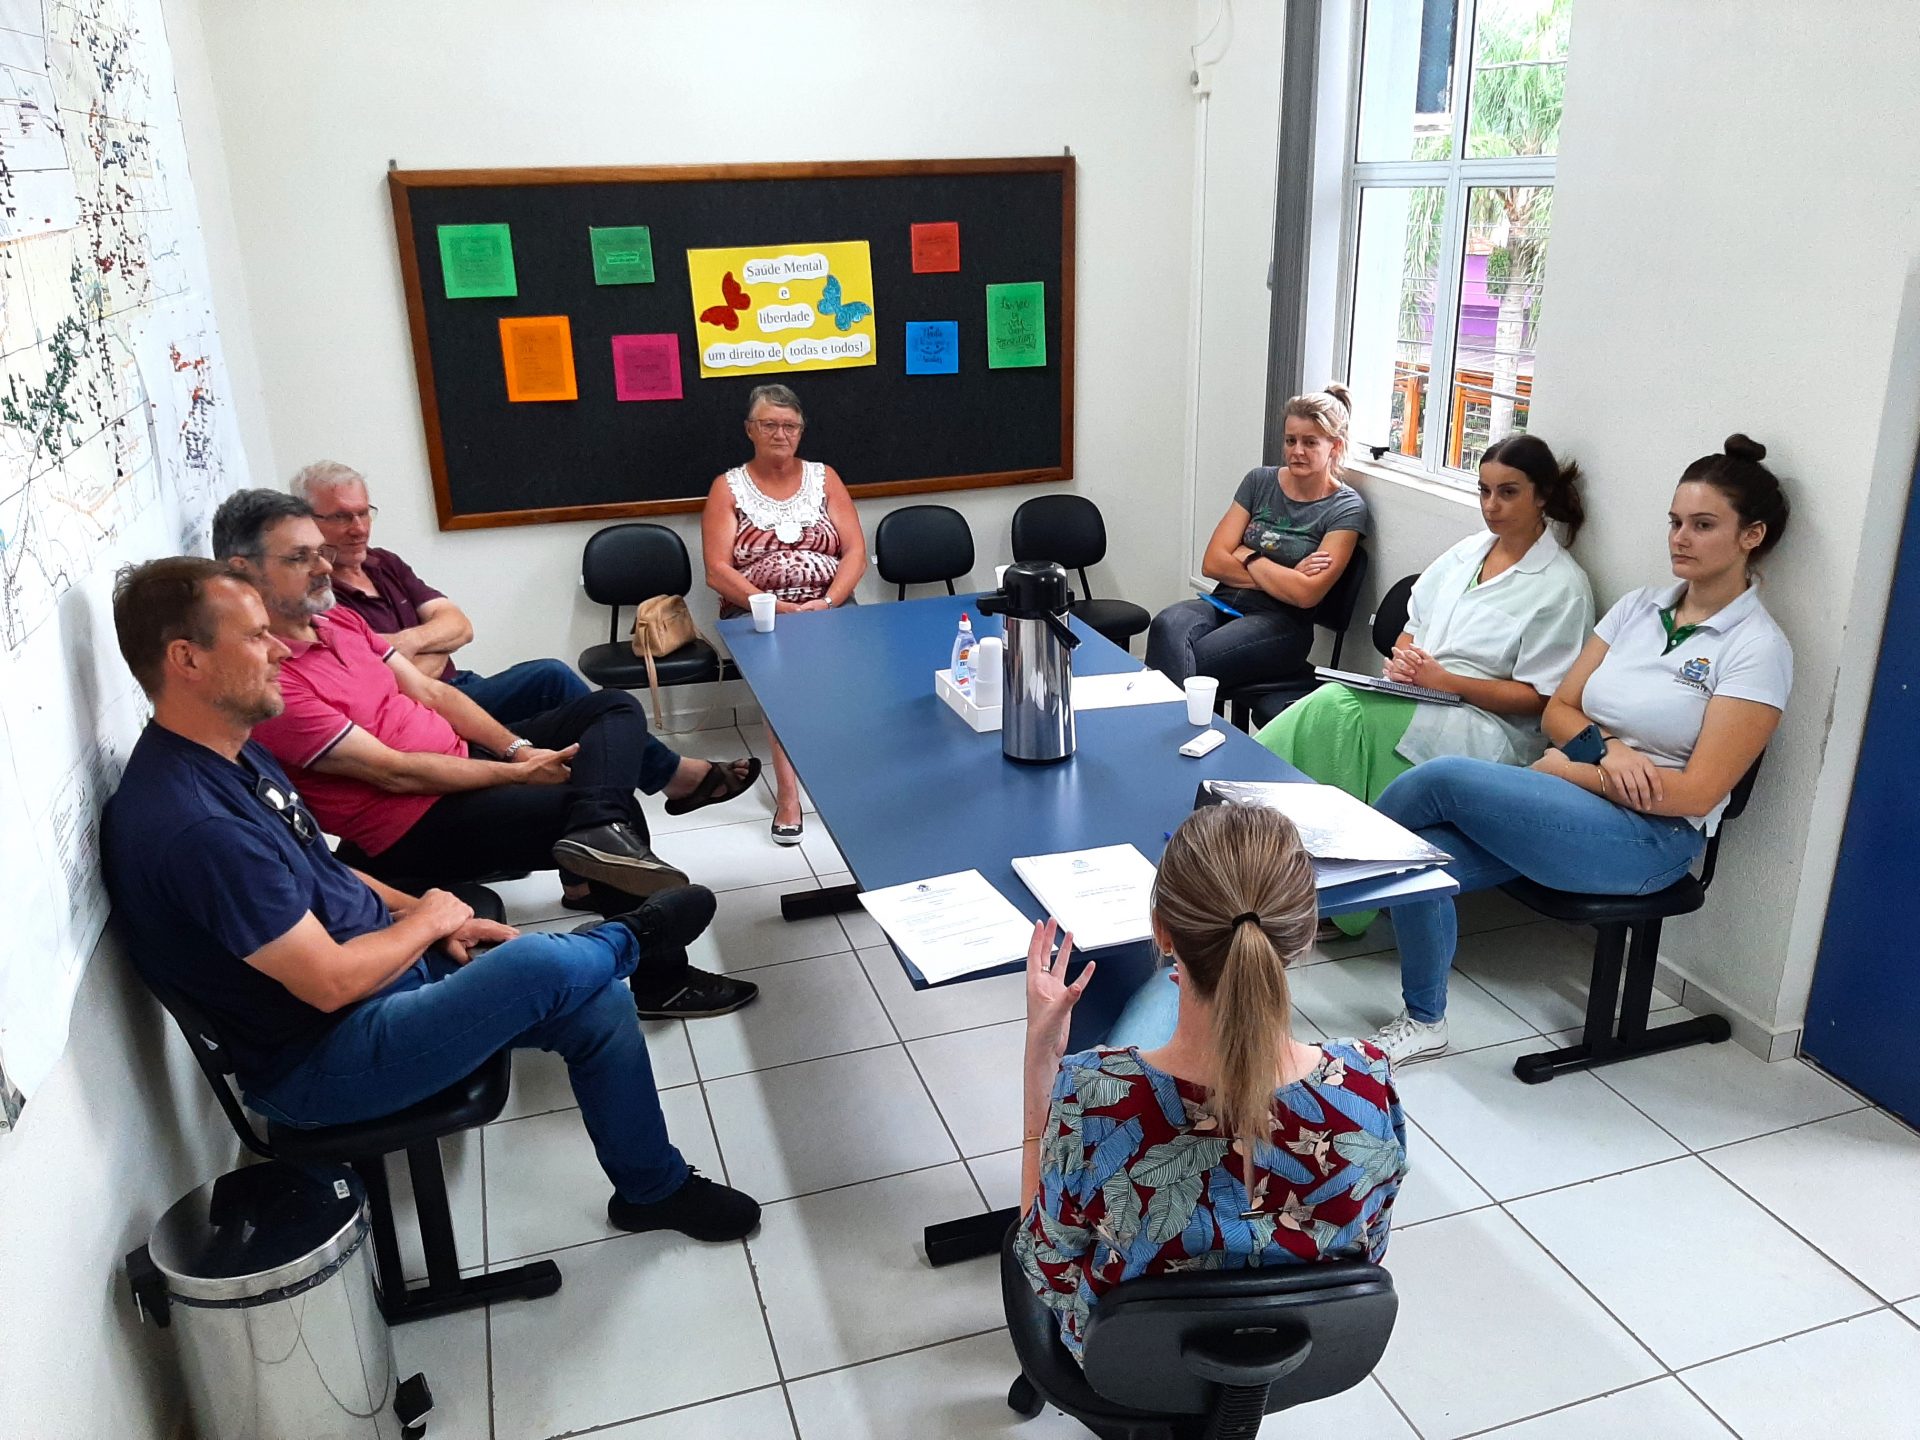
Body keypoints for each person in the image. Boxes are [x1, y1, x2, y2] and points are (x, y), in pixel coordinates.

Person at [100, 557, 761, 1241]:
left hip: (381, 976)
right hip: (324, 1058)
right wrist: (430, 922)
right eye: (255, 636)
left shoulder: (232, 753)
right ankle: (629, 939)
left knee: (595, 1000)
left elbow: (326, 870)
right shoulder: (194, 825)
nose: (280, 651)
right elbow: (329, 985)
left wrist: (423, 913)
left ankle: (652, 1189)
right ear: (187, 659)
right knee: (541, 965)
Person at [211, 488, 758, 1019]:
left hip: (457, 767)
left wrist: (517, 752)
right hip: (412, 825)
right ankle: (661, 982)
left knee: (611, 708)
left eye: (320, 552)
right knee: (614, 809)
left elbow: (433, 693)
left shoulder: (337, 622)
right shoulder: (272, 681)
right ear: (243, 571)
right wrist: (515, 775)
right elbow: (395, 774)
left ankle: (595, 833)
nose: (323, 567)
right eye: (299, 557)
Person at [1369, 435, 1794, 1063]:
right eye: (1675, 521)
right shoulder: (1639, 608)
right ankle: (1425, 1020)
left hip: (1653, 838)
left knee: (1442, 779)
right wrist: (1608, 752)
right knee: (1418, 857)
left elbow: (1697, 793)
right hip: (1574, 803)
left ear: (1751, 536)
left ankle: (1302, 893)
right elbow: (1559, 710)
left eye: (1703, 525)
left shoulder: (1757, 648)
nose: (1680, 538)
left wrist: (1574, 766)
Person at [1013, 803, 1408, 1364]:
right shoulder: (1368, 1084)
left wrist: (1040, 1069)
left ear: (1162, 932)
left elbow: (1045, 1266)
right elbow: (1369, 1247)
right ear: (1302, 935)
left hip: (1128, 1366)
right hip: (1295, 1358)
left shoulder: (1090, 1097)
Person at [1257, 434, 1595, 937]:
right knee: (1336, 711)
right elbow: (1413, 624)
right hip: (1423, 696)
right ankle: (1271, 860)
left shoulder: (1561, 586)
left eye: (1508, 493)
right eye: (1484, 491)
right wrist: (1405, 660)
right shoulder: (1466, 553)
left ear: (1542, 496)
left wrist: (1445, 680)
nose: (1491, 506)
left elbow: (1542, 699)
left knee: (1339, 711)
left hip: (1488, 728)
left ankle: (1331, 892)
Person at [295, 460, 592, 729]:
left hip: (462, 684)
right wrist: (440, 645)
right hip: (424, 711)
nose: (359, 529)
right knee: (551, 678)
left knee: (581, 720)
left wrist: (405, 644)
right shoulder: (315, 594)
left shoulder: (384, 562)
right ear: (306, 520)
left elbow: (460, 627)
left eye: (363, 513)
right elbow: (377, 685)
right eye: (341, 517)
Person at [701, 383, 867, 845]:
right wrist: (777, 606)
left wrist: (827, 602)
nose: (780, 434)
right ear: (750, 430)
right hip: (757, 611)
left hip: (828, 604)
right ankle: (789, 797)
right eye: (769, 424)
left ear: (801, 431)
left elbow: (855, 552)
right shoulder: (727, 488)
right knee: (784, 675)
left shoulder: (825, 478)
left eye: (790, 426)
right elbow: (716, 570)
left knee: (853, 667)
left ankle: (850, 777)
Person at [1144, 386, 1370, 690]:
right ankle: (1179, 719)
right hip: (1224, 601)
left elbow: (1306, 595)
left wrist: (1247, 555)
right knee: (1166, 625)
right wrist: (1287, 576)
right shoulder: (1259, 481)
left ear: (1335, 446)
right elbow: (1212, 563)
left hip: (1282, 622)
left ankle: (1163, 718)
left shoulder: (1346, 508)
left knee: (1191, 660)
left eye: (1310, 442)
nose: (1297, 451)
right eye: (1290, 440)